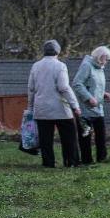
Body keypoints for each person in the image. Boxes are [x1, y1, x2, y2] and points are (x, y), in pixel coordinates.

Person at [26, 39, 81, 168]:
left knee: (45, 138)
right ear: (58, 51)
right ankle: (71, 161)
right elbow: (64, 87)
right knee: (68, 136)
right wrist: (75, 105)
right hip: (60, 108)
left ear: (44, 51)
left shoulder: (36, 66)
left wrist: (30, 107)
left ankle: (48, 163)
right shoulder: (60, 66)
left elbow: (31, 88)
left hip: (41, 108)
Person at [72, 45, 110, 164]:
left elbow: (93, 86)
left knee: (101, 135)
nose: (107, 61)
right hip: (85, 108)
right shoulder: (87, 66)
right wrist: (89, 97)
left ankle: (102, 159)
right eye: (106, 59)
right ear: (100, 57)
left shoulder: (100, 68)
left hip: (98, 108)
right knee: (85, 135)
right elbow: (77, 84)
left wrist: (103, 94)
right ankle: (86, 161)